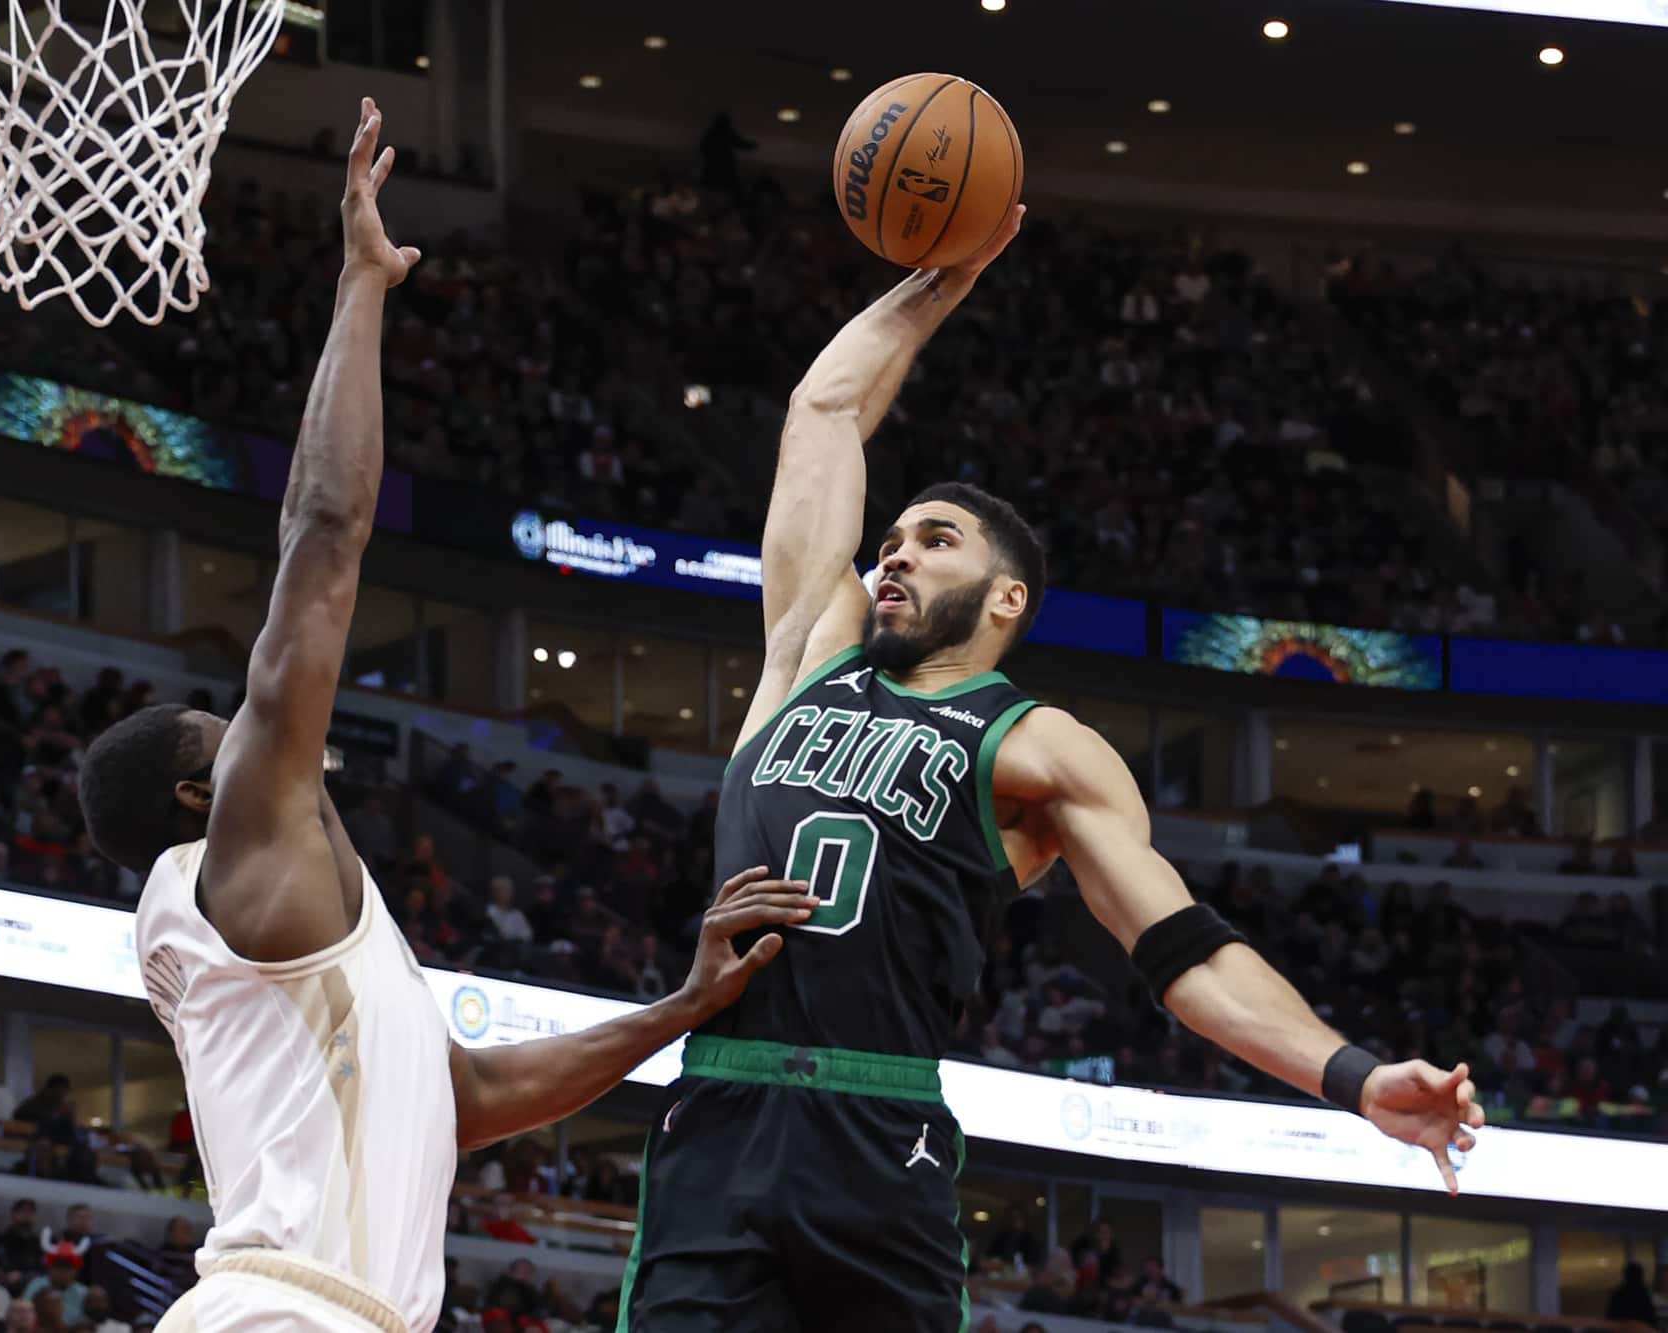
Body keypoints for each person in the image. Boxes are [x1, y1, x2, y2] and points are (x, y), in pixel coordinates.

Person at [614, 208, 1486, 1333]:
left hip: (880, 1130)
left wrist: (1354, 1075)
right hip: (720, 1102)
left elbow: (1181, 950)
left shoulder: (1041, 744)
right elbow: (823, 410)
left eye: (934, 542)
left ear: (1005, 598)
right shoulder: (805, 651)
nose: (893, 554)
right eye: (890, 541)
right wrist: (944, 274)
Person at [77, 100, 814, 1333]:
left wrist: (675, 1012)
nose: (265, 740)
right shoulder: (243, 859)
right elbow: (323, 534)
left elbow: (468, 1094)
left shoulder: (300, 962)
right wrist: (362, 287)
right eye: (231, 735)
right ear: (203, 799)